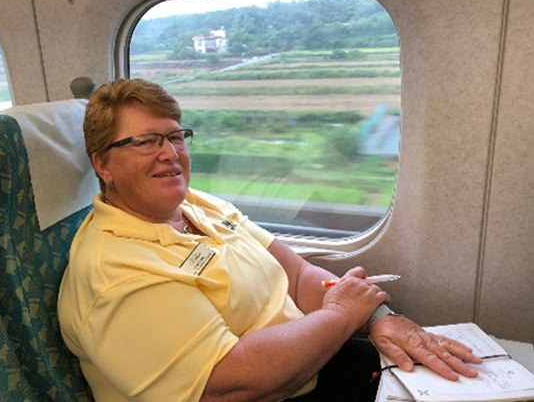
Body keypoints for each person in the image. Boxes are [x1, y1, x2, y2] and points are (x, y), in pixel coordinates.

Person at [57, 78, 482, 402]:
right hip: (276, 391)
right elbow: (234, 381)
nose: (169, 153)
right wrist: (342, 315)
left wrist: (376, 319)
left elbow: (295, 275)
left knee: (470, 379)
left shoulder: (196, 204)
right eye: (145, 142)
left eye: (174, 136)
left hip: (312, 364)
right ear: (103, 165)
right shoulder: (115, 272)